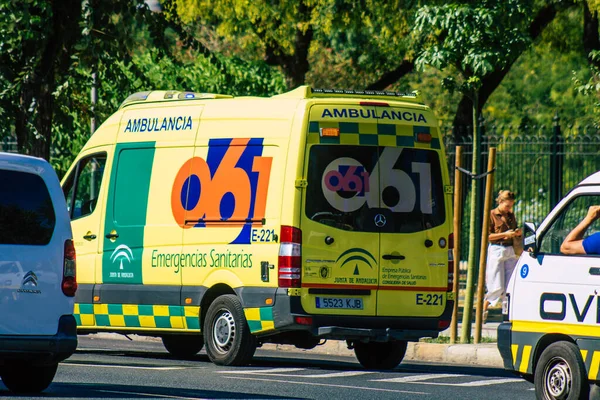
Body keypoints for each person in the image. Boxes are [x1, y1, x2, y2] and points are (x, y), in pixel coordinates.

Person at [483, 190, 521, 322]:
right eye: (507, 205)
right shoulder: (492, 215)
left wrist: (516, 233)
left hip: (510, 250)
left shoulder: (510, 215)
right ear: (500, 202)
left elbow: (513, 230)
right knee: (496, 284)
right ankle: (484, 307)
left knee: (510, 284)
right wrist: (505, 234)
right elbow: (488, 236)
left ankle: (507, 314)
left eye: (511, 206)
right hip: (496, 249)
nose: (509, 208)